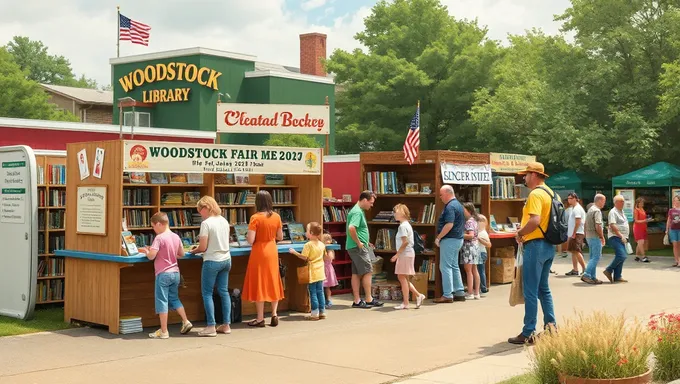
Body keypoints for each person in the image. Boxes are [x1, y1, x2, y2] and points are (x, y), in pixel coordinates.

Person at [508, 162, 557, 345]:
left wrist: (520, 233)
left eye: (526, 175)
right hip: (548, 245)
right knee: (543, 289)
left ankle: (528, 331)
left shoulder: (535, 194)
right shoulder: (551, 193)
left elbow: (535, 220)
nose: (524, 178)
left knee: (530, 290)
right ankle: (551, 327)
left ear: (534, 175)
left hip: (535, 245)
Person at [139, 212, 193, 339]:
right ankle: (186, 321)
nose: (153, 229)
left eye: (153, 226)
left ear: (159, 224)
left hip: (163, 274)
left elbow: (152, 256)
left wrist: (147, 251)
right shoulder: (176, 236)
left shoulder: (159, 238)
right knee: (174, 299)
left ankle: (164, 331)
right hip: (175, 273)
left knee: (162, 301)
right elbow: (181, 254)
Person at [190, 196, 232, 337]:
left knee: (207, 293)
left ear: (207, 207)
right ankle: (226, 325)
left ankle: (211, 326)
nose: (199, 213)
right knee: (223, 291)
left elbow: (203, 247)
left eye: (200, 210)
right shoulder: (224, 221)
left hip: (212, 260)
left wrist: (193, 250)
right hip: (226, 259)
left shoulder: (206, 224)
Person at [243, 190, 285, 327]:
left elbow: (251, 239)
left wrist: (245, 236)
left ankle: (260, 318)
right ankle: (274, 314)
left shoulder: (255, 218)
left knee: (259, 282)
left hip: (259, 252)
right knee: (273, 281)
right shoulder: (276, 217)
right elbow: (280, 237)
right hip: (272, 250)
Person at [346, 191, 383, 308]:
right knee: (368, 271)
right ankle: (368, 298)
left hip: (356, 246)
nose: (371, 205)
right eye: (371, 203)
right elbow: (352, 228)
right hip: (357, 247)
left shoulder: (357, 210)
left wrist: (365, 241)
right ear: (364, 200)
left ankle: (357, 300)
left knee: (356, 273)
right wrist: (359, 242)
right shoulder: (357, 212)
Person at [434, 185, 466, 303]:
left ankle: (447, 294)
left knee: (445, 266)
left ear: (447, 193)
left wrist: (439, 237)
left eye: (441, 195)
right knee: (454, 265)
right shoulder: (458, 205)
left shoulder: (450, 206)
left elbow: (449, 224)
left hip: (450, 239)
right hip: (458, 239)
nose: (440, 197)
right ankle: (459, 292)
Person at [390, 203, 425, 310]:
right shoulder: (407, 225)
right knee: (404, 277)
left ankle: (408, 301)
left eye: (395, 212)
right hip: (408, 253)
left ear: (402, 213)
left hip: (404, 254)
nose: (394, 214)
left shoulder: (402, 226)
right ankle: (416, 296)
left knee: (402, 277)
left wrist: (397, 255)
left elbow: (405, 242)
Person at [289, 222, 327, 320]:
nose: (305, 232)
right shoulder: (322, 244)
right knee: (320, 292)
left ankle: (314, 313)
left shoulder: (308, 245)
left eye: (307, 230)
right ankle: (322, 312)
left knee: (312, 292)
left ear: (311, 233)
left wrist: (294, 253)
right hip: (320, 271)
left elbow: (304, 257)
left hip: (312, 271)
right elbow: (324, 256)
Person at [603, 195, 630, 283]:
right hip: (616, 237)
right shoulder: (613, 212)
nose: (623, 203)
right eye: (621, 201)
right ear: (615, 202)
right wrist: (620, 235)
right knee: (622, 255)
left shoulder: (622, 211)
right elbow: (612, 225)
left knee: (621, 256)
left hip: (623, 237)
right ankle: (609, 270)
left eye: (623, 201)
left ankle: (618, 276)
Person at [582, 194, 606, 284]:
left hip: (589, 236)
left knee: (592, 257)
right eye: (603, 201)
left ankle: (593, 277)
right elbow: (598, 225)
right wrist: (602, 236)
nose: (604, 203)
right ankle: (586, 274)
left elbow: (585, 224)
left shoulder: (590, 210)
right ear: (599, 200)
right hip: (595, 236)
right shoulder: (597, 211)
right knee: (596, 257)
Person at [461, 202, 481, 300]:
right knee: (474, 269)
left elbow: (471, 235)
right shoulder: (474, 221)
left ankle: (470, 292)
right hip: (476, 246)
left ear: (468, 211)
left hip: (469, 247)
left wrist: (461, 234)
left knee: (468, 270)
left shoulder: (469, 222)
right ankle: (476, 292)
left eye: (463, 210)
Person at [565, 193, 586, 276]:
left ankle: (585, 269)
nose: (568, 200)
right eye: (568, 198)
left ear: (575, 199)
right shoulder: (573, 208)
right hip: (574, 233)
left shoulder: (577, 209)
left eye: (570, 198)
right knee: (573, 251)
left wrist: (574, 233)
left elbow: (578, 221)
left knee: (576, 251)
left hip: (577, 233)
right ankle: (575, 269)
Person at [476, 214, 492, 296]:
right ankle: (481, 287)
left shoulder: (483, 233)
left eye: (478, 221)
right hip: (479, 252)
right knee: (479, 270)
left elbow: (489, 244)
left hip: (481, 253)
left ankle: (483, 287)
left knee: (480, 270)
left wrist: (479, 239)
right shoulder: (479, 232)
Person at [321, 233, 338, 308]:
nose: (327, 241)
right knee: (322, 286)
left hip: (327, 268)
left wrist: (323, 255)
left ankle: (328, 299)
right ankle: (324, 300)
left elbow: (330, 257)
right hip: (323, 268)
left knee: (327, 286)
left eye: (329, 239)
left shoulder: (329, 249)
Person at [633, 197, 650, 263]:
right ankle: (643, 257)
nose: (642, 204)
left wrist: (647, 220)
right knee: (641, 242)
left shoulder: (642, 209)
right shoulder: (636, 210)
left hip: (643, 227)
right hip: (638, 228)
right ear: (638, 203)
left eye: (643, 203)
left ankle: (637, 256)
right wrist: (645, 220)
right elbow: (636, 220)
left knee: (639, 243)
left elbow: (643, 218)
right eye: (641, 202)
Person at [666, 195, 680, 267]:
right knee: (675, 245)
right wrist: (667, 229)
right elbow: (669, 220)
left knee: (679, 245)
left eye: (677, 200)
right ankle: (676, 261)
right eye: (674, 200)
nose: (676, 202)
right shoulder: (671, 210)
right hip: (673, 229)